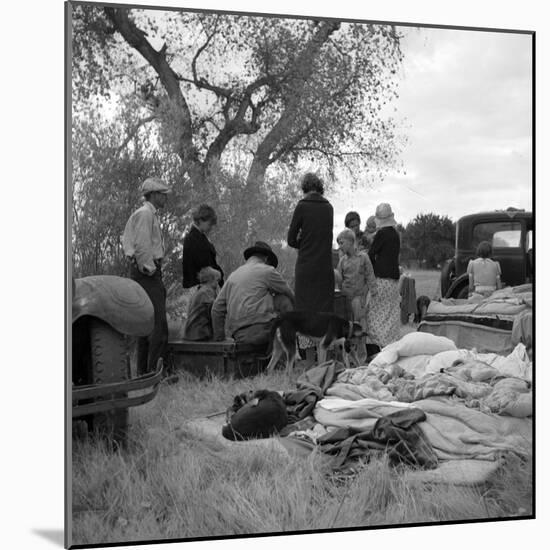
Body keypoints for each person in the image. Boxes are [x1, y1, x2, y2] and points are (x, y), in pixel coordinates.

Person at [122, 176, 171, 375]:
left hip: (144, 272)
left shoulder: (147, 214)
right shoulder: (145, 214)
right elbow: (142, 245)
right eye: (162, 195)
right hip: (147, 274)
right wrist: (149, 269)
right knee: (158, 325)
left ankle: (144, 372)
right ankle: (155, 373)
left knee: (145, 323)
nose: (165, 199)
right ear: (154, 195)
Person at [211, 241, 294, 345]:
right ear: (266, 259)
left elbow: (216, 309)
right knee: (284, 299)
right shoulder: (267, 270)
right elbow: (289, 293)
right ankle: (291, 351)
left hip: (239, 335)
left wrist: (220, 339)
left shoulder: (233, 276)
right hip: (263, 330)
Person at [288, 173, 335, 314]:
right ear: (320, 188)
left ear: (305, 188)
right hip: (325, 268)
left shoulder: (302, 206)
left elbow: (290, 240)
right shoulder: (329, 207)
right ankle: (322, 336)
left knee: (304, 309)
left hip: (306, 267)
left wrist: (303, 242)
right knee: (323, 309)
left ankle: (304, 336)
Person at [336, 228, 376, 363]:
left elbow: (370, 275)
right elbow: (339, 279)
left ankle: (361, 357)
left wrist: (372, 292)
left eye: (342, 243)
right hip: (346, 300)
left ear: (351, 242)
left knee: (360, 328)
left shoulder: (363, 257)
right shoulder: (342, 261)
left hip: (359, 298)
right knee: (347, 329)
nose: (340, 246)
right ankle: (347, 358)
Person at [366, 203, 401, 350]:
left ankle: (378, 344)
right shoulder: (395, 234)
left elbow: (371, 254)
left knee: (375, 312)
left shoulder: (381, 234)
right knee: (390, 313)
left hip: (381, 278)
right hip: (393, 280)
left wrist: (372, 268)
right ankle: (390, 344)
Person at [181, 204, 224, 291]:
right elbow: (204, 266)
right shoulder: (194, 239)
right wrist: (219, 274)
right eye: (210, 224)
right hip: (200, 288)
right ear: (201, 220)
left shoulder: (200, 237)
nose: (211, 228)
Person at [182, 267, 221, 341]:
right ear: (211, 280)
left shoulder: (199, 291)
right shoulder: (207, 292)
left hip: (190, 333)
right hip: (200, 333)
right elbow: (215, 313)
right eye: (217, 280)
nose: (218, 284)